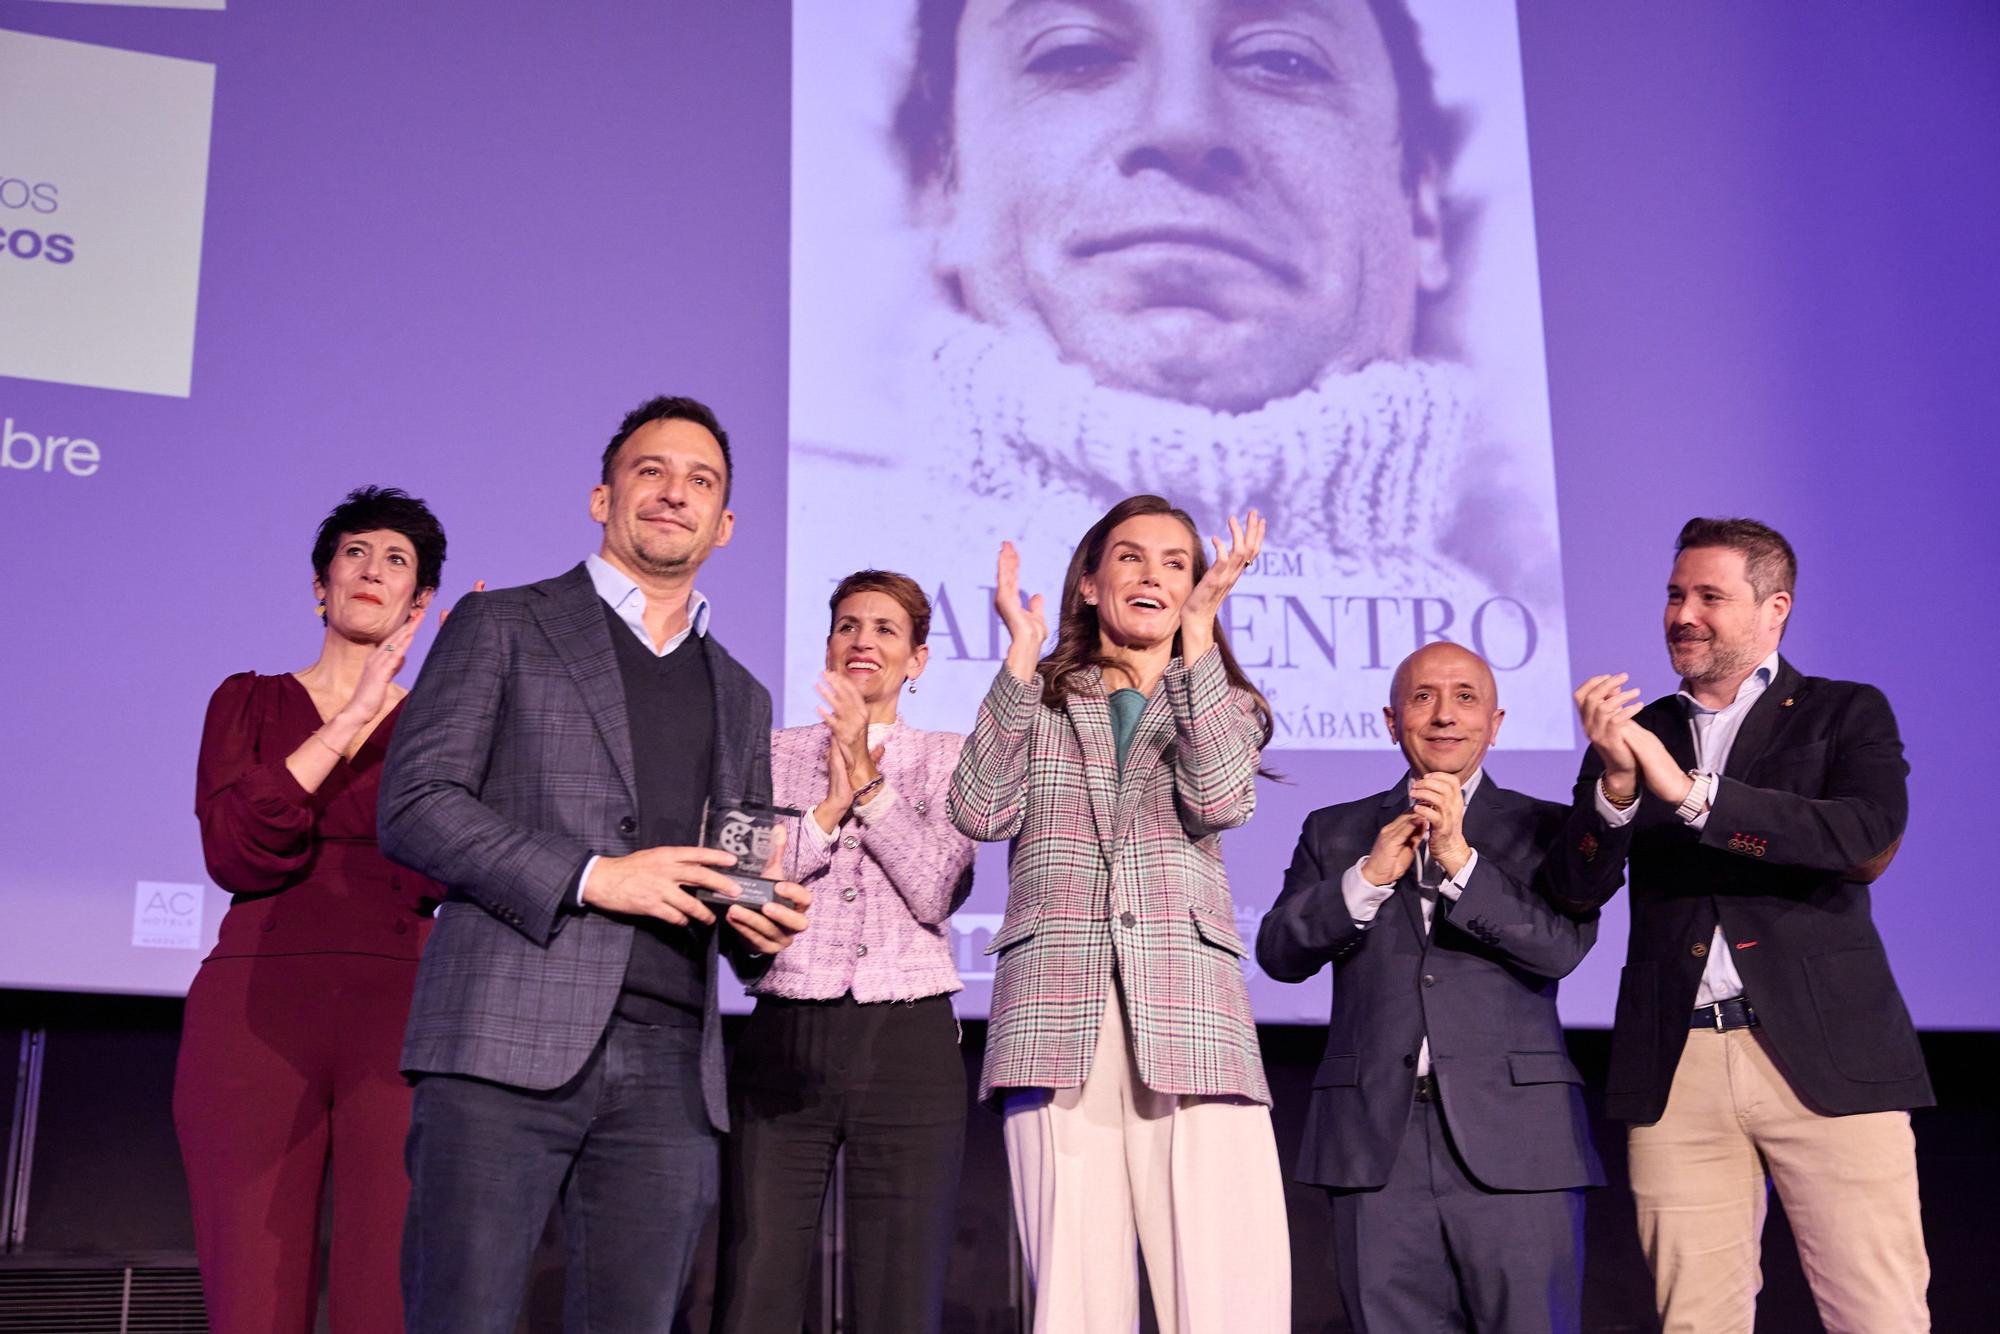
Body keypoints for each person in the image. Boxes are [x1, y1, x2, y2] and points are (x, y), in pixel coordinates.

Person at [786, 0, 1573, 751]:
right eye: (1077, 51)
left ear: (1425, 207)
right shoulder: (800, 626)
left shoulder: (1549, 689)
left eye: (1282, 59)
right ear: (939, 182)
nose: (1183, 124)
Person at [377, 395, 813, 1334]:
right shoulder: (505, 624)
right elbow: (415, 805)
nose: (674, 493)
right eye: (651, 470)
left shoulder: (742, 691)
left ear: (726, 524)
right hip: (501, 1043)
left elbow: (727, 871)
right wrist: (591, 876)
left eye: (702, 482)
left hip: (670, 1067)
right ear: (601, 495)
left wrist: (757, 924)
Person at [1552, 518, 1930, 1334]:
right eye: (1675, 594)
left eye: (1709, 596)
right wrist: (1617, 788)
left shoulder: (1842, 711)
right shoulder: (1634, 730)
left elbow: (1864, 838)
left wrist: (1694, 797)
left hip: (1827, 1054)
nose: (1683, 613)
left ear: (1774, 609)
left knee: (1879, 1315)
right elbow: (1577, 891)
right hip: (1677, 1063)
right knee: (1696, 1323)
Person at [949, 494, 1288, 1334]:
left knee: (1224, 1294)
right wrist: (1021, 662)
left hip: (1192, 1013)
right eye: (1131, 557)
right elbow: (980, 811)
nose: (1154, 575)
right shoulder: (1037, 699)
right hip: (1055, 1011)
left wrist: (1201, 637)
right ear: (1092, 583)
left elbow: (1215, 796)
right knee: (1074, 1298)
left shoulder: (1224, 702)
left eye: (1178, 563)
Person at [1256, 640, 1602, 1333]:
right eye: (1422, 698)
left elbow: (1560, 948)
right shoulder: (1335, 830)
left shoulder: (1548, 828)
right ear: (1391, 722)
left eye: (1465, 698)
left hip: (1517, 1144)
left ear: (1497, 723)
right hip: (1376, 1147)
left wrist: (1461, 863)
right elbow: (1278, 952)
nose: (1444, 715)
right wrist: (1367, 879)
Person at [175, 486, 446, 1334]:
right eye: (355, 553)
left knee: (389, 1296)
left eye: (397, 560)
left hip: (404, 1009)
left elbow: (454, 867)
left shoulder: (444, 729)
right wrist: (354, 714)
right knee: (250, 1295)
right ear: (320, 586)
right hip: (255, 1010)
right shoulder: (248, 701)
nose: (374, 569)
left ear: (421, 602)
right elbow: (235, 851)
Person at [715, 569, 978, 1334]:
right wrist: (825, 813)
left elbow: (935, 891)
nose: (865, 641)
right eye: (849, 627)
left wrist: (869, 782)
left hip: (909, 1039)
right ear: (829, 645)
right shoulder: (763, 752)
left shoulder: (954, 758)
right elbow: (737, 887)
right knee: (754, 1279)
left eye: (885, 629)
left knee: (900, 1291)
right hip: (786, 1028)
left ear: (917, 660)